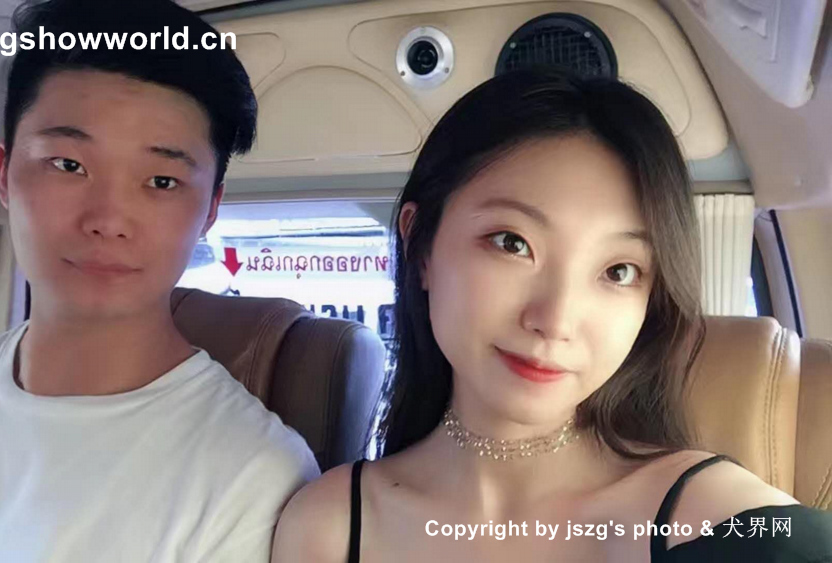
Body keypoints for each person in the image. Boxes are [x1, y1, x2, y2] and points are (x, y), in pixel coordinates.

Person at [272, 69, 832, 562]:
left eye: (619, 271)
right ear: (421, 247)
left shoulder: (719, 522)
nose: (557, 320)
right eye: (512, 243)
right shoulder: (328, 525)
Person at [0, 1, 318, 561]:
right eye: (68, 165)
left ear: (210, 208)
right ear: (4, 173)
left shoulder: (256, 481)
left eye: (161, 181)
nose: (108, 220)